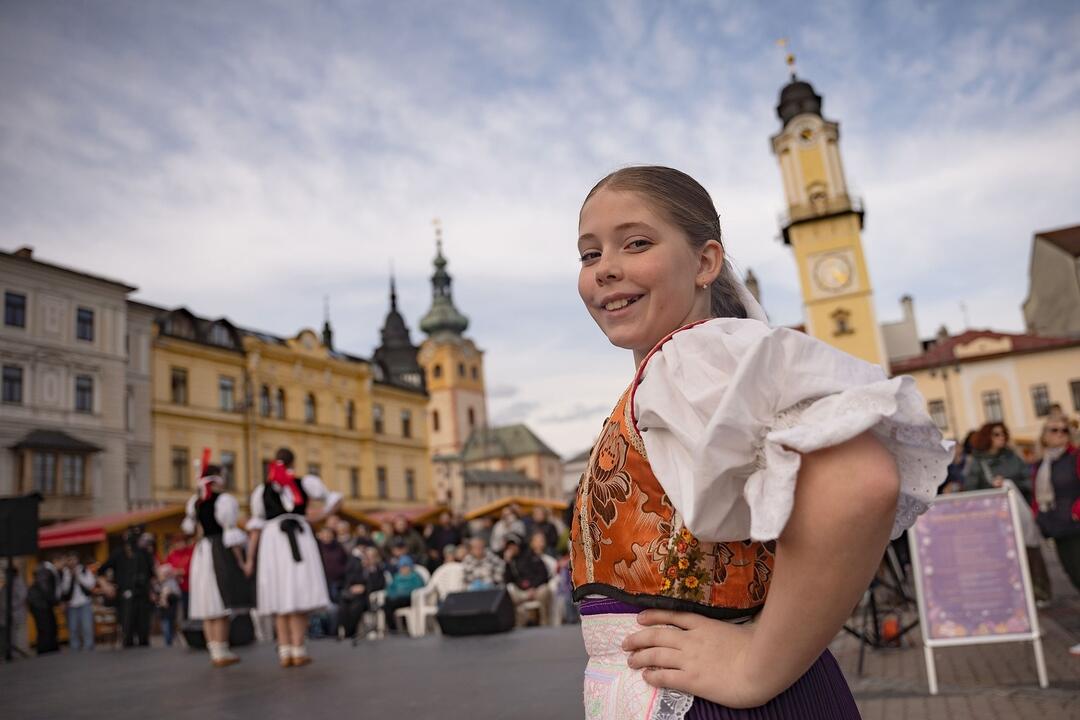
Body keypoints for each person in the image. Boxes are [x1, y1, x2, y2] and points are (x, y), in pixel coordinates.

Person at [569, 166, 949, 716]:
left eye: (635, 243)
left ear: (704, 262)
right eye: (589, 254)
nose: (605, 268)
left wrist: (755, 666)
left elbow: (856, 479)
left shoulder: (693, 357)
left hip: (715, 703)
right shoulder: (687, 365)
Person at [245, 448, 341, 668]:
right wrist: (319, 515)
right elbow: (333, 500)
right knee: (297, 594)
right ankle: (298, 649)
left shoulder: (262, 491)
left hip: (273, 541)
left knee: (281, 597)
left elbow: (256, 527)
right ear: (293, 462)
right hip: (297, 536)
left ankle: (285, 650)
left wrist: (250, 558)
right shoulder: (304, 483)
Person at [965, 422, 1052, 602]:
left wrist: (1009, 483)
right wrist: (991, 487)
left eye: (1003, 433)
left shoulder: (1012, 457)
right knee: (1003, 558)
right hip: (993, 519)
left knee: (1031, 552)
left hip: (1019, 514)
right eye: (996, 434)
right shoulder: (977, 462)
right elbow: (970, 491)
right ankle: (1011, 596)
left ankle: (1039, 592)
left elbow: (1028, 479)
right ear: (987, 437)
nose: (1001, 437)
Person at [182, 463, 252, 667]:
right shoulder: (223, 500)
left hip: (202, 551)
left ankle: (214, 649)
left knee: (206, 602)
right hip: (218, 551)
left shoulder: (196, 501)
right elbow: (230, 533)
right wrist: (241, 561)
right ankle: (221, 649)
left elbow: (192, 529)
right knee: (220, 602)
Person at [1031, 417, 1080, 655]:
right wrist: (1038, 517)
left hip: (1075, 525)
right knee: (1073, 576)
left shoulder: (1075, 457)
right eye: (1054, 430)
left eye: (1064, 430)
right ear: (1045, 435)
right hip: (1057, 528)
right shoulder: (1043, 463)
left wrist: (1076, 511)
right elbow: (1037, 495)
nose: (1060, 433)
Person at [99, 526, 155, 647]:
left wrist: (152, 591)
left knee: (143, 631)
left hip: (142, 596)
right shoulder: (118, 553)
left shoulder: (144, 553)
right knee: (127, 629)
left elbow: (151, 574)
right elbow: (101, 571)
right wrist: (106, 585)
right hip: (125, 597)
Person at [338, 546, 386, 640]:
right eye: (366, 556)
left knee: (356, 607)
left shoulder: (378, 570)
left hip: (366, 598)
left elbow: (380, 585)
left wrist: (364, 587)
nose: (368, 559)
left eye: (371, 557)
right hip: (353, 596)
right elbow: (349, 581)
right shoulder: (358, 569)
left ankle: (349, 633)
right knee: (343, 607)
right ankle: (346, 631)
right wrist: (353, 588)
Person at [504, 533, 552, 627]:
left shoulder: (531, 555)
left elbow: (543, 575)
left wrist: (533, 587)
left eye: (513, 545)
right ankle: (517, 625)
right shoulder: (511, 562)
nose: (512, 548)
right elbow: (508, 580)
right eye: (509, 546)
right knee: (508, 592)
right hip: (521, 593)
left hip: (536, 589)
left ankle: (545, 623)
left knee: (545, 590)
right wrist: (507, 563)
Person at [57, 554, 97, 651]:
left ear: (77, 560)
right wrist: (70, 577)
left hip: (84, 602)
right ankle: (75, 647)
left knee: (87, 626)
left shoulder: (83, 570)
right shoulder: (64, 573)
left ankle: (88, 647)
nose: (72, 562)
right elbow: (64, 590)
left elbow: (91, 584)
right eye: (69, 560)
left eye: (73, 559)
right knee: (73, 628)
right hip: (71, 604)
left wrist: (78, 577)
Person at [382, 555, 425, 634]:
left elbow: (419, 587)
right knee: (387, 604)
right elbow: (390, 588)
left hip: (409, 599)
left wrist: (403, 592)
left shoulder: (415, 576)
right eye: (402, 567)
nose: (404, 569)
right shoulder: (397, 577)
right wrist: (393, 594)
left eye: (406, 566)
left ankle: (398, 628)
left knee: (388, 605)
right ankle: (393, 628)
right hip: (396, 599)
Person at [26, 560, 59, 654]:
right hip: (40, 604)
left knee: (46, 627)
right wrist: (54, 601)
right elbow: (45, 588)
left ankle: (48, 648)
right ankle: (46, 649)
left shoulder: (44, 569)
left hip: (40, 604)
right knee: (45, 627)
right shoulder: (45, 570)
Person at [164, 535, 194, 619]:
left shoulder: (190, 552)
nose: (179, 545)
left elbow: (192, 569)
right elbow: (166, 567)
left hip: (188, 587)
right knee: (174, 612)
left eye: (181, 542)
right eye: (177, 543)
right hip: (175, 588)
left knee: (187, 610)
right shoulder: (172, 555)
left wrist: (179, 572)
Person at [155, 565, 181, 648]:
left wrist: (168, 595)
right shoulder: (158, 583)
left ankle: (170, 639)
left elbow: (177, 594)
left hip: (171, 608)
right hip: (163, 609)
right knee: (165, 624)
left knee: (171, 624)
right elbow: (156, 594)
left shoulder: (172, 582)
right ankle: (168, 640)